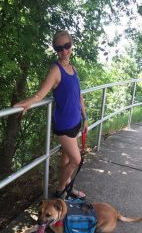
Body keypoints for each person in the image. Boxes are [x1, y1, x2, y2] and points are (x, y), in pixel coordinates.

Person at [14, 30, 88, 198]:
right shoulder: (56, 69)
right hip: (64, 125)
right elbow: (40, 94)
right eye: (59, 48)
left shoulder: (73, 68)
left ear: (71, 44)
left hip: (76, 121)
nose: (63, 51)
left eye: (67, 46)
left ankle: (68, 187)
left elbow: (79, 96)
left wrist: (85, 118)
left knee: (66, 160)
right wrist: (27, 102)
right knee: (76, 160)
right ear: (55, 49)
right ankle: (61, 189)